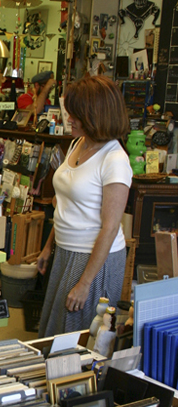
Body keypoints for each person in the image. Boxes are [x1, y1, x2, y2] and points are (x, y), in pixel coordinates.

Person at [37, 75, 132, 337]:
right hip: (66, 251)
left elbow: (111, 228)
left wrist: (85, 283)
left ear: (95, 115)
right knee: (55, 328)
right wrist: (49, 245)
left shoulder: (114, 160)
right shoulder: (79, 144)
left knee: (75, 334)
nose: (69, 120)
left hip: (93, 259)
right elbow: (68, 205)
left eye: (76, 115)